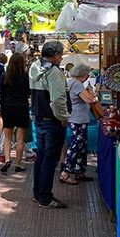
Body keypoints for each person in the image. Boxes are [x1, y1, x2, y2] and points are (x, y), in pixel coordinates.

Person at [29, 41, 69, 208]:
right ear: (54, 55)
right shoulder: (53, 72)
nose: (61, 58)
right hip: (52, 121)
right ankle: (45, 196)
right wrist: (63, 117)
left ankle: (38, 193)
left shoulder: (35, 66)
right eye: (60, 55)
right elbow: (58, 99)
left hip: (39, 118)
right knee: (49, 160)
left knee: (41, 157)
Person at [60, 64, 96, 185]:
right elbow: (89, 100)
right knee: (76, 145)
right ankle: (66, 172)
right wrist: (91, 92)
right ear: (83, 74)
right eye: (87, 75)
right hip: (78, 119)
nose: (87, 77)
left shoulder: (70, 82)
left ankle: (79, 170)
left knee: (81, 145)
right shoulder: (77, 84)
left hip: (76, 118)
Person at [0, 53, 31, 174]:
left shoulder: (4, 76)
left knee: (7, 136)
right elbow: (29, 92)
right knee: (20, 138)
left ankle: (7, 159)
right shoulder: (25, 77)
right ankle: (18, 163)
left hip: (8, 107)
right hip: (22, 107)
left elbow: (1, 94)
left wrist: (2, 109)